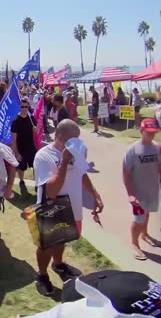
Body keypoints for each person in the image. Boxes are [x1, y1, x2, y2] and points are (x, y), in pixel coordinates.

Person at [31, 120, 101, 297]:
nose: (77, 143)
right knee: (47, 245)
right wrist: (64, 161)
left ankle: (58, 264)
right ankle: (42, 275)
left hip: (72, 207)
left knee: (63, 239)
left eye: (78, 139)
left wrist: (94, 193)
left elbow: (82, 173)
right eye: (73, 139)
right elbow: (51, 192)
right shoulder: (43, 156)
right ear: (60, 138)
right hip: (51, 209)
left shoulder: (78, 152)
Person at [121, 118, 161, 261]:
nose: (151, 136)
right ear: (141, 131)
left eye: (153, 133)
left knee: (147, 214)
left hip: (152, 190)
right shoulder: (132, 150)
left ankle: (145, 235)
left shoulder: (156, 148)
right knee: (138, 220)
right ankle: (134, 243)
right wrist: (130, 194)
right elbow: (125, 173)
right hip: (138, 193)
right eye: (148, 133)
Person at [10, 98, 36, 197]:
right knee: (21, 167)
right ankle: (21, 180)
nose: (24, 109)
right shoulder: (15, 121)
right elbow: (13, 140)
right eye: (22, 107)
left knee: (35, 165)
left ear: (28, 106)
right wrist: (17, 153)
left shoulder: (32, 119)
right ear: (19, 107)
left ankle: (37, 182)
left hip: (31, 147)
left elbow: (35, 132)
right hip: (21, 148)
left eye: (26, 107)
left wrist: (35, 129)